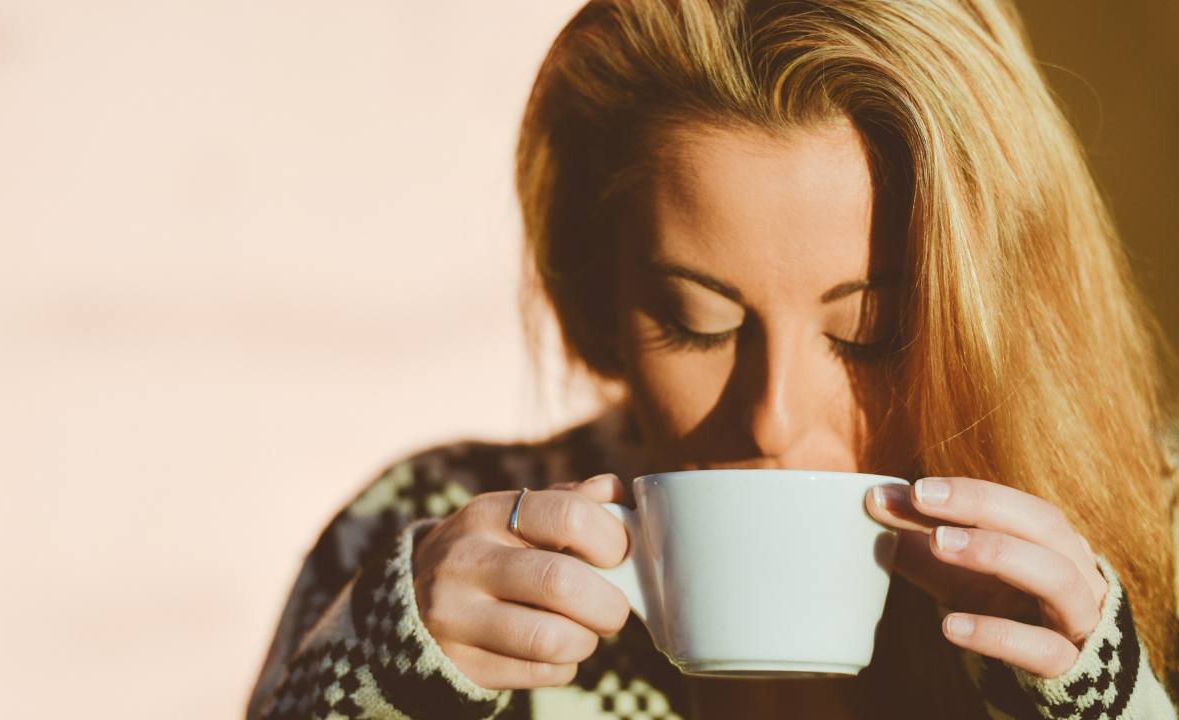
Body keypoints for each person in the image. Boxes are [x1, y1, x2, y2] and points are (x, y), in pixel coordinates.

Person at [246, 0, 1179, 717]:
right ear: (600, 296)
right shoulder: (425, 531)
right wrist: (376, 685)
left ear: (1001, 305)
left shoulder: (1158, 522)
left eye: (871, 335)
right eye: (697, 323)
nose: (772, 415)